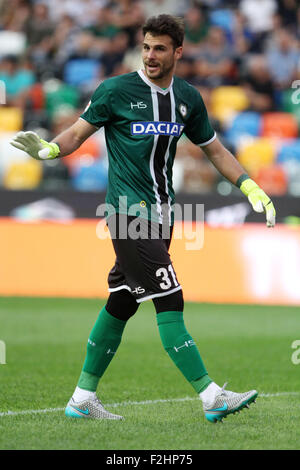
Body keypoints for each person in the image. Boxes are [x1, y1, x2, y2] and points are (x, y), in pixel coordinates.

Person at [10, 14, 276, 424]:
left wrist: (249, 185)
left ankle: (82, 398)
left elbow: (214, 149)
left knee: (123, 301)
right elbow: (78, 134)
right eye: (146, 47)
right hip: (127, 215)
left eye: (160, 49)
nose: (151, 56)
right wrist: (48, 150)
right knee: (170, 298)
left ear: (178, 52)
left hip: (164, 216)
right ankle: (211, 396)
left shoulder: (187, 98)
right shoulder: (115, 90)